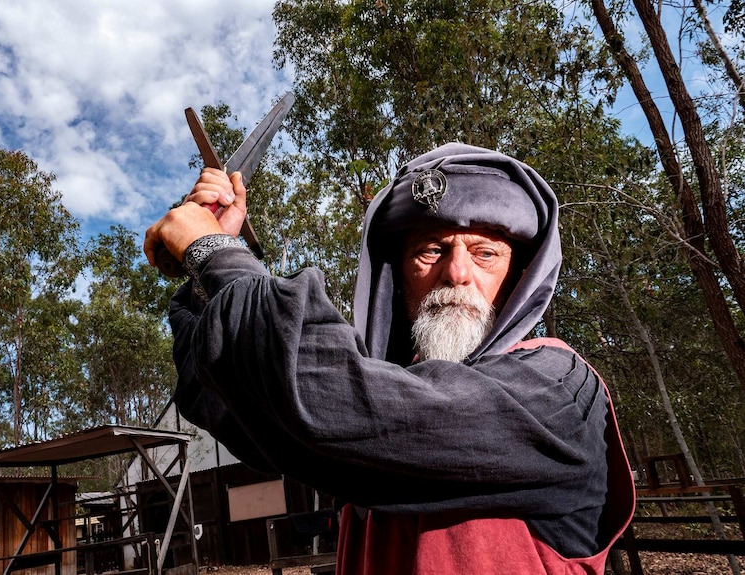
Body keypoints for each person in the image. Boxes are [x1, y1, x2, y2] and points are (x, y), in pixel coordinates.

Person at [143, 142, 635, 574]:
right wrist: (205, 275)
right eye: (431, 250)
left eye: (485, 253)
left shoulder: (557, 390)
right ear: (397, 278)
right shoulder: (389, 387)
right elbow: (231, 403)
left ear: (518, 280)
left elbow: (336, 399)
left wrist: (214, 252)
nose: (457, 272)